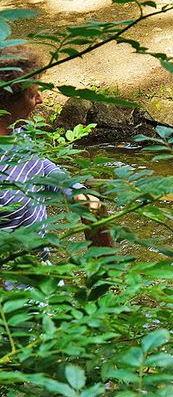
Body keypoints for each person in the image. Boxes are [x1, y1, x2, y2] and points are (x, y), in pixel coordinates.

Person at [0, 45, 112, 251]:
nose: (41, 99)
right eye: (32, 94)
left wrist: (73, 190)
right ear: (7, 102)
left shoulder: (17, 133)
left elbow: (39, 165)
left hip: (43, 269)